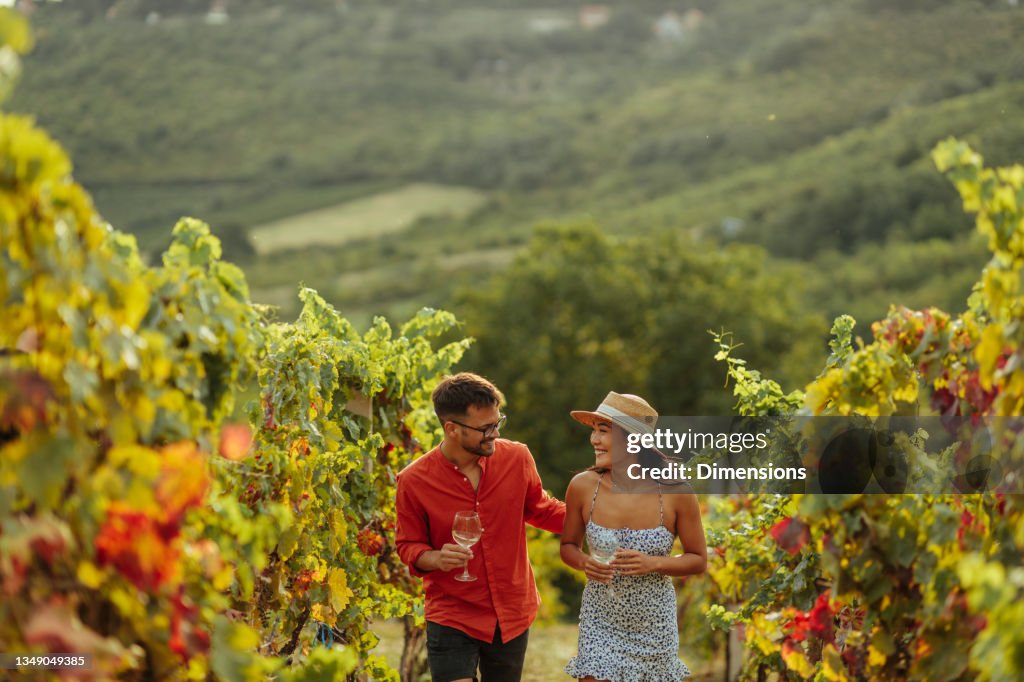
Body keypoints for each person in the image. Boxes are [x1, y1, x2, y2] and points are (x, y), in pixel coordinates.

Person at [395, 372, 566, 682]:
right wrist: (436, 558)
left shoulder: (517, 458)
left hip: (511, 611)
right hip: (452, 612)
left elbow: (541, 509)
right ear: (452, 429)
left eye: (498, 423)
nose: (495, 434)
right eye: (486, 428)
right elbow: (408, 545)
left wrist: (599, 515)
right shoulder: (413, 481)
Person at [560, 392, 707, 682]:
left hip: (655, 628)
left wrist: (653, 563)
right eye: (594, 430)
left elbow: (698, 560)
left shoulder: (676, 491)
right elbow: (567, 546)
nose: (594, 440)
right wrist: (583, 562)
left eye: (604, 431)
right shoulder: (583, 487)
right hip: (600, 621)